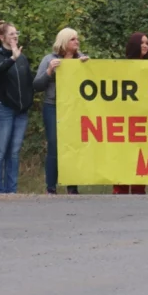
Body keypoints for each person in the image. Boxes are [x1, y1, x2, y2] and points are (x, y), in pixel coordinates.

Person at [34, 27, 89, 195]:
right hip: (53, 106)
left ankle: (72, 186)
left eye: (77, 39)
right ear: (64, 41)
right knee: (54, 144)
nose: (77, 42)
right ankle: (51, 187)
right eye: (73, 39)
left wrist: (89, 68)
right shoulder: (49, 59)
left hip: (75, 108)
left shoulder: (82, 60)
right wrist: (50, 71)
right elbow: (36, 85)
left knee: (73, 145)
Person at [0, 20, 34, 194]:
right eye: (11, 34)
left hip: (20, 111)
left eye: (16, 33)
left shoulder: (23, 58)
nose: (15, 36)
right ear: (2, 37)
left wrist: (28, 102)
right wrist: (12, 58)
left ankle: (11, 190)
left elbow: (29, 82)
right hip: (1, 108)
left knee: (14, 152)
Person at [113, 32, 148, 195]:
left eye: (147, 43)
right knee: (123, 154)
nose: (145, 45)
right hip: (125, 118)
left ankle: (138, 189)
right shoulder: (121, 67)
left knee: (142, 153)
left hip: (144, 118)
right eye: (142, 42)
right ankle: (120, 188)